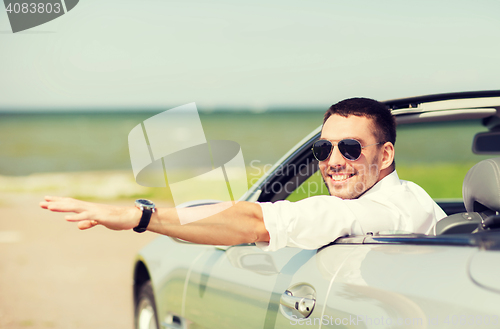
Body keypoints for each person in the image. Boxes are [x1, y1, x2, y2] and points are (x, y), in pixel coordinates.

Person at [40, 98, 446, 250]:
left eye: (351, 148)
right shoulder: (418, 200)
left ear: (386, 153)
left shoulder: (364, 213)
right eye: (323, 148)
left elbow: (253, 220)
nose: (333, 160)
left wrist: (144, 217)